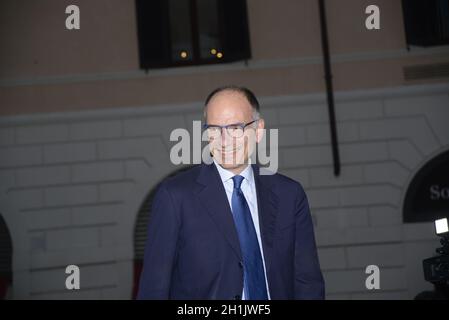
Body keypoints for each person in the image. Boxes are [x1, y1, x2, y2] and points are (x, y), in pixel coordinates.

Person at [137, 85, 325, 300]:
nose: (224, 140)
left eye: (235, 128)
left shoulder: (289, 195)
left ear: (259, 130)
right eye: (214, 129)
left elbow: (307, 282)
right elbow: (153, 290)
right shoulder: (174, 196)